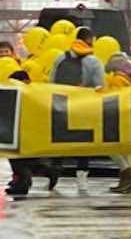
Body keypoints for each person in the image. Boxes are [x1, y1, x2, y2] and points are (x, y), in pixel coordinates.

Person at [50, 26, 106, 191]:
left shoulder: (61, 57)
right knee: (84, 142)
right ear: (90, 41)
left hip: (61, 105)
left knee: (60, 141)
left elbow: (51, 81)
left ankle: (55, 169)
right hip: (83, 107)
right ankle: (81, 177)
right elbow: (100, 86)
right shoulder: (93, 61)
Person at [105, 53, 131, 194]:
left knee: (108, 146)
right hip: (128, 116)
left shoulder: (116, 80)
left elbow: (113, 99)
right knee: (124, 149)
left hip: (115, 116)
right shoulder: (129, 80)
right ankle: (127, 180)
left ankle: (127, 174)